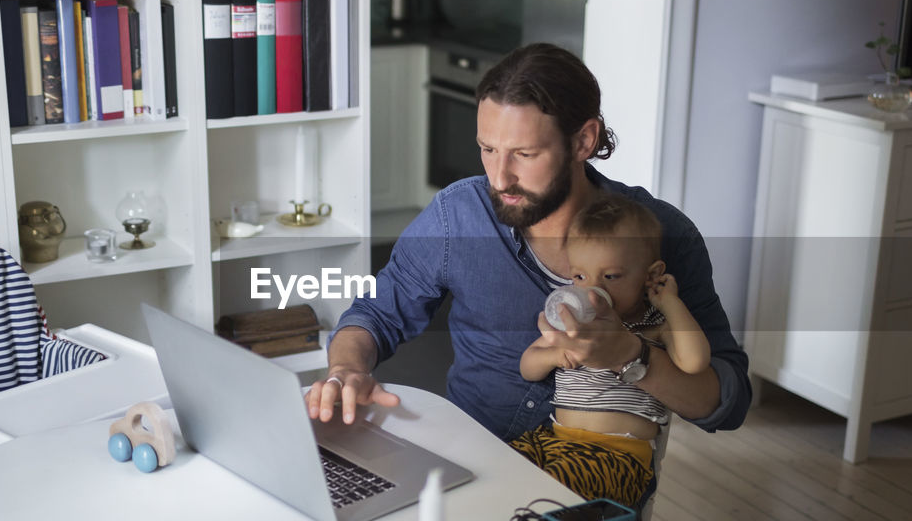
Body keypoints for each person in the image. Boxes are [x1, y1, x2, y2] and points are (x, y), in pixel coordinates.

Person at [305, 42, 749, 452]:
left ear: (583, 141)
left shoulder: (663, 233)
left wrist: (632, 359)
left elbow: (726, 404)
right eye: (488, 149)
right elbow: (377, 314)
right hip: (474, 460)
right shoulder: (457, 215)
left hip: (594, 487)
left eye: (525, 154)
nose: (500, 178)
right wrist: (347, 370)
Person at [509, 192, 710, 507]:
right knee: (500, 467)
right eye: (580, 276)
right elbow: (528, 365)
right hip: (555, 441)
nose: (592, 289)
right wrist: (552, 355)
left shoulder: (655, 324)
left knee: (550, 493)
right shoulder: (571, 322)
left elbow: (695, 362)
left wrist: (670, 303)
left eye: (611, 276)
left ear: (652, 275)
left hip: (617, 456)